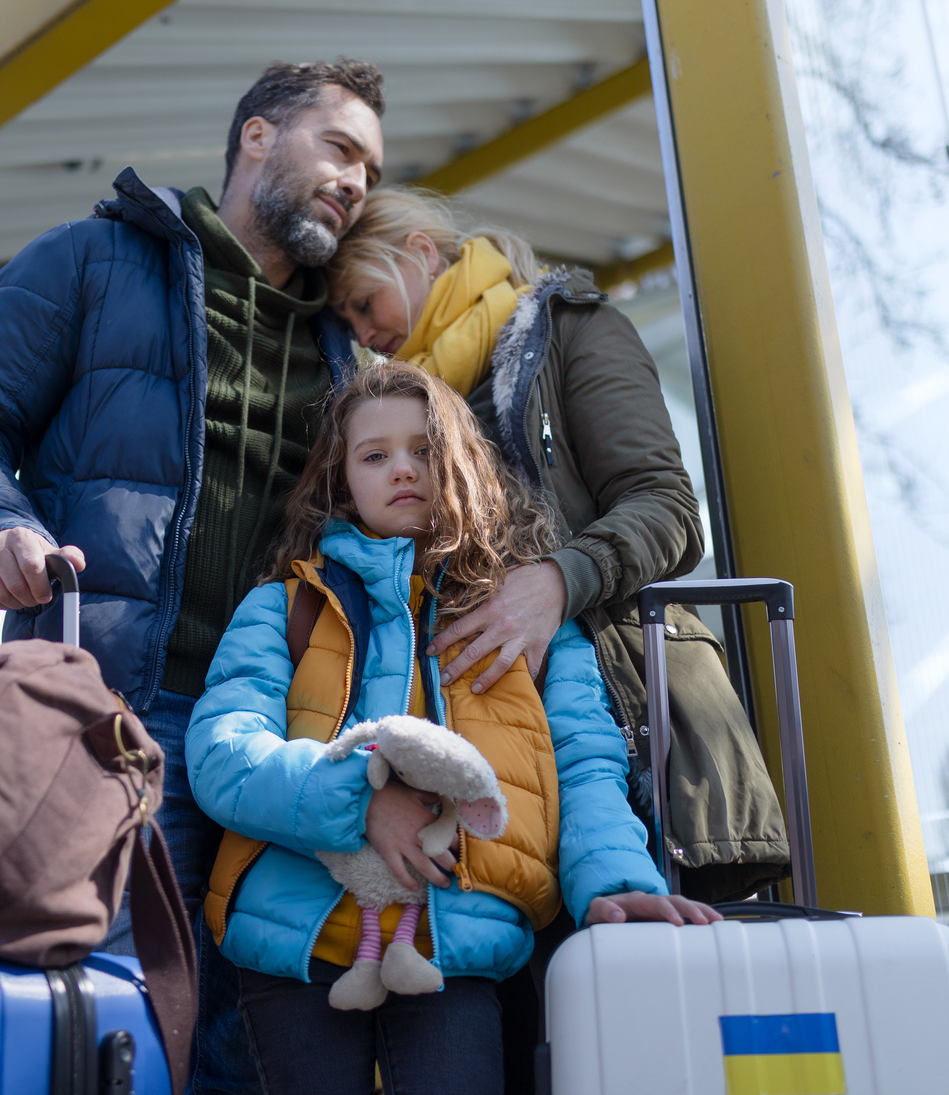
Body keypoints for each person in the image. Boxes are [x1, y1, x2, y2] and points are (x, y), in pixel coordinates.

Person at [0, 60, 387, 1094]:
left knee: (254, 1043)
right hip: (120, 712)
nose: (356, 184)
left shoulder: (350, 350)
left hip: (292, 740)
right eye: (339, 150)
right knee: (125, 1022)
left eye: (371, 172)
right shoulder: (93, 261)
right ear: (256, 138)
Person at [326, 188, 791, 1091]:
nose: (361, 330)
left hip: (621, 735)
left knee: (634, 1042)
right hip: (488, 777)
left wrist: (554, 584)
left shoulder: (568, 330)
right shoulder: (400, 415)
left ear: (419, 252)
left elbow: (667, 509)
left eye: (362, 301)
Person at [186, 362, 719, 1094]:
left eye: (425, 448)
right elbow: (221, 752)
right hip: (293, 949)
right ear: (343, 484)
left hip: (458, 948)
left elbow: (585, 768)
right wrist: (362, 804)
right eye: (374, 455)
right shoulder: (285, 607)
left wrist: (616, 881)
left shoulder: (531, 627)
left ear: (463, 461)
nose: (402, 468)